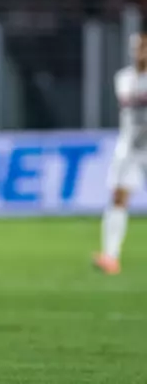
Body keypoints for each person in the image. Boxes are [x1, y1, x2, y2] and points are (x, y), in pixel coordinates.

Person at [95, 32, 147, 275]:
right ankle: (110, 256)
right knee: (118, 197)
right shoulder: (124, 78)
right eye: (138, 48)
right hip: (130, 148)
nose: (141, 52)